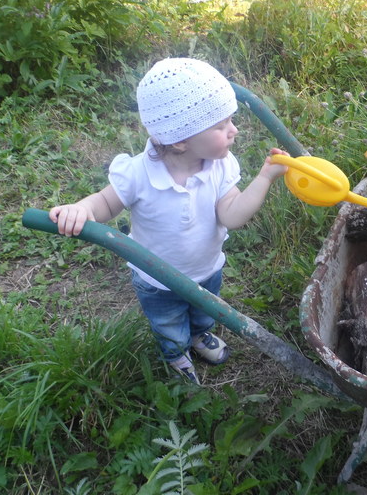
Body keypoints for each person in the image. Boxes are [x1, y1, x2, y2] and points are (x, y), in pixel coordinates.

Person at [49, 58, 288, 384]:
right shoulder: (138, 173)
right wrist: (82, 209)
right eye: (221, 126)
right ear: (180, 140)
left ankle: (200, 336)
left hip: (207, 270)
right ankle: (176, 351)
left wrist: (264, 178)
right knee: (168, 322)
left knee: (204, 312)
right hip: (157, 281)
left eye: (231, 120)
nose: (234, 131)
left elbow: (231, 216)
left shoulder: (220, 166)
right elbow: (106, 202)